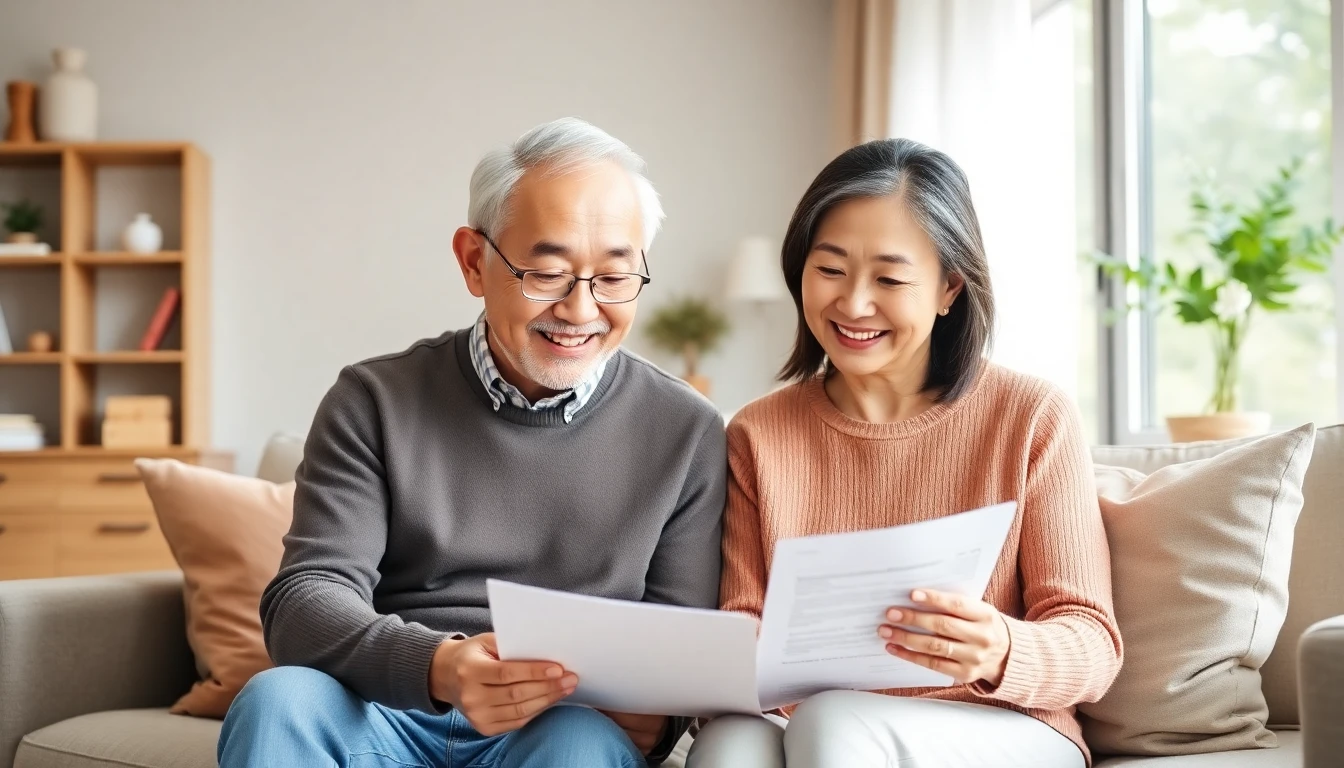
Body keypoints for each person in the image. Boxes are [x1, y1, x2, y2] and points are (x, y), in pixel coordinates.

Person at [218, 117, 727, 768]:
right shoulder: (374, 400)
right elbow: (305, 598)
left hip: (559, 723)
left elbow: (682, 645)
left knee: (579, 746)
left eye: (613, 277)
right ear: (473, 262)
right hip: (387, 705)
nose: (580, 309)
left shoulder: (687, 431)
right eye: (546, 273)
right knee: (278, 702)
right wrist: (441, 665)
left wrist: (659, 715)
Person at [686, 138, 1123, 768]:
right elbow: (745, 624)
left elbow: (1091, 643)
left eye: (889, 278)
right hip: (811, 727)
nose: (853, 304)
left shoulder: (1031, 416)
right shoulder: (758, 433)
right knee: (730, 744)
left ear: (949, 288)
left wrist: (1000, 647)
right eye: (830, 270)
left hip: (1004, 728)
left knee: (835, 724)